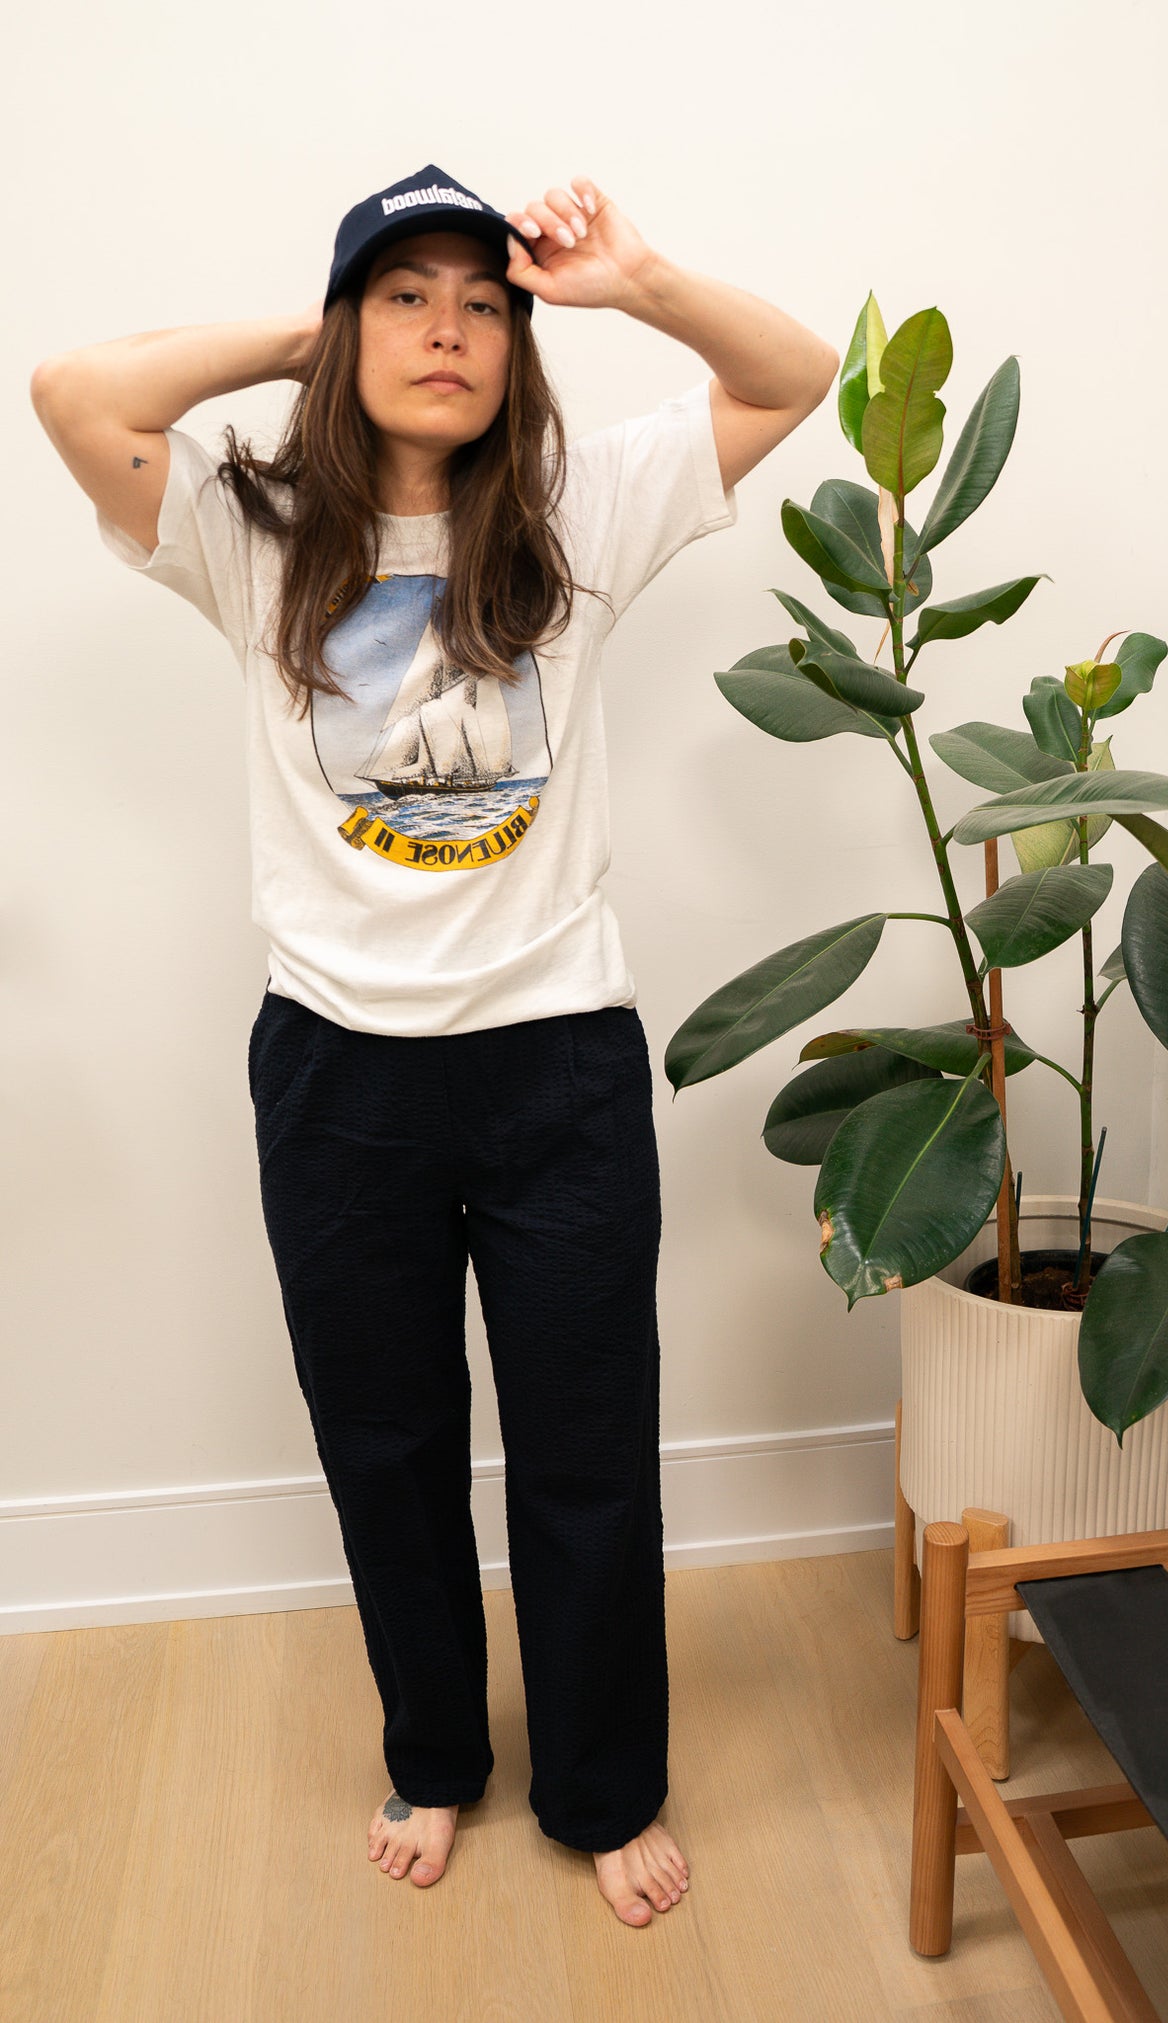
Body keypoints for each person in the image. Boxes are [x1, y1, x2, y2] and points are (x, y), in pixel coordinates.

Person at [30, 163, 838, 1926]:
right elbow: (77, 396)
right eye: (403, 296)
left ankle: (604, 1780)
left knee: (582, 1443)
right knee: (382, 1442)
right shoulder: (250, 538)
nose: (447, 329)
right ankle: (432, 1753)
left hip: (557, 1059)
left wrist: (636, 280)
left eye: (481, 301)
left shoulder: (581, 514)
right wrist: (306, 322)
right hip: (337, 1069)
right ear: (347, 330)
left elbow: (790, 376)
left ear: (519, 346)